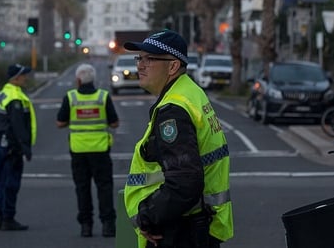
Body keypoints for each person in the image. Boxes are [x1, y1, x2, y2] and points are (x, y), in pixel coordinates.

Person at [122, 30, 234, 248]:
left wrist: (148, 217)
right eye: (139, 58)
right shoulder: (191, 93)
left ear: (172, 66)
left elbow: (185, 182)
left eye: (149, 59)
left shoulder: (173, 110)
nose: (140, 65)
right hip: (197, 225)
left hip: (178, 231)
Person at [56, 63, 119, 238]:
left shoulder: (70, 97)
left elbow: (60, 123)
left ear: (78, 80)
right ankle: (108, 225)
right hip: (100, 150)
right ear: (94, 79)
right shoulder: (103, 97)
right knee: (104, 187)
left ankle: (86, 226)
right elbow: (114, 123)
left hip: (78, 151)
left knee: (82, 188)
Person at [0, 63, 37, 231]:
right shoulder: (14, 98)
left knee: (1, 181)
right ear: (16, 78)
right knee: (11, 182)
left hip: (2, 144)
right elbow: (18, 127)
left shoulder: (5, 93)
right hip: (11, 146)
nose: (26, 78)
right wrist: (25, 147)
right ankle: (7, 217)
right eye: (23, 75)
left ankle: (1, 215)